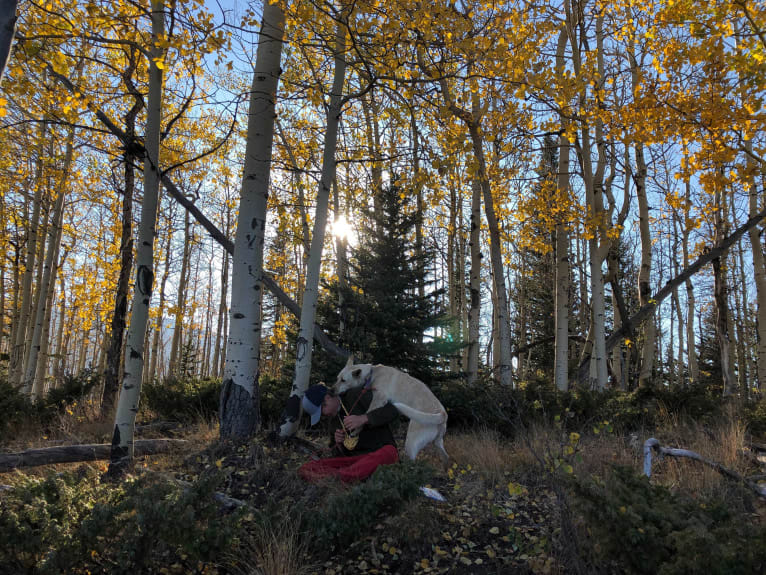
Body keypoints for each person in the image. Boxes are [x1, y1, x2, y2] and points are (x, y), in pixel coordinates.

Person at [298, 382, 399, 483]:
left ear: (327, 398)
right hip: (356, 460)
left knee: (388, 452)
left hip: (381, 452)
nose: (324, 415)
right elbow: (338, 455)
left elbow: (393, 409)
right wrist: (339, 444)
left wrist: (365, 418)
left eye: (322, 411)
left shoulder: (356, 394)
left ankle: (338, 477)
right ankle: (345, 475)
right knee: (308, 467)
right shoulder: (333, 421)